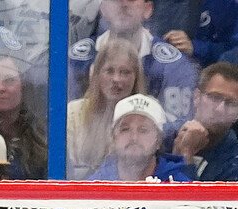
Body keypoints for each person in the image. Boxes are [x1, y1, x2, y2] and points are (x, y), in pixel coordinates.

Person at [68, 0, 198, 121]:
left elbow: (178, 125)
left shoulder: (174, 66)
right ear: (103, 7)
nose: (124, 4)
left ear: (148, 9)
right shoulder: (76, 60)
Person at [163, 62, 238, 181]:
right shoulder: (163, 137)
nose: (220, 109)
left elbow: (190, 200)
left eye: (230, 103)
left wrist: (185, 155)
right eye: (215, 97)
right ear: (196, 97)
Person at [66, 37, 146, 180]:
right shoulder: (73, 114)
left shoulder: (147, 116)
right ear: (96, 75)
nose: (116, 79)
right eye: (109, 71)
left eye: (125, 72)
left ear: (136, 77)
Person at [88, 93, 189, 181]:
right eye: (125, 129)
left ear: (158, 140)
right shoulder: (92, 188)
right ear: (113, 138)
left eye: (143, 130)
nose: (134, 138)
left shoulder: (181, 187)